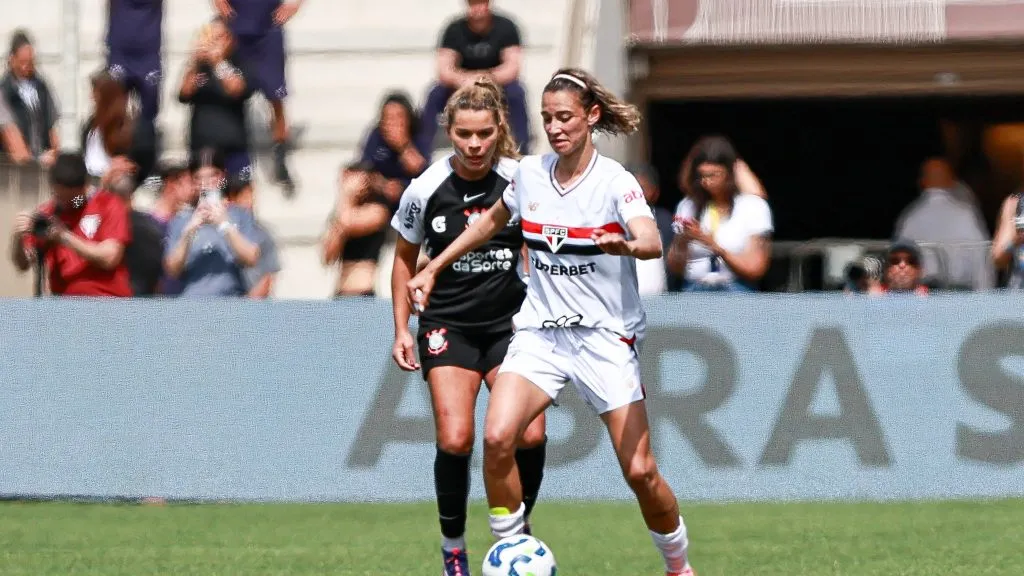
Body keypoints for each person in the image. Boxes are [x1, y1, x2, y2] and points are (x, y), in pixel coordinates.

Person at [408, 68, 695, 576]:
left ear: (591, 116)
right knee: (498, 438)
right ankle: (514, 552)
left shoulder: (615, 181)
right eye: (547, 118)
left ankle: (678, 566)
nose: (556, 127)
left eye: (565, 117)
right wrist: (432, 265)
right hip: (541, 332)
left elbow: (652, 238)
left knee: (640, 471)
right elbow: (492, 222)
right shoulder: (530, 174)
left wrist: (627, 245)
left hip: (605, 336)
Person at [391, 77, 547, 576]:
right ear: (449, 132)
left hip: (511, 327)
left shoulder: (521, 180)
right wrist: (399, 327)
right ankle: (452, 545)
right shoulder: (426, 188)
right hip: (450, 325)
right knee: (457, 438)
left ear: (499, 127)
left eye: (483, 133)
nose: (475, 145)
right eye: (464, 134)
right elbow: (403, 259)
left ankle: (516, 540)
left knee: (530, 433)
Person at [9, 153, 133, 296]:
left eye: (70, 198)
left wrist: (64, 237)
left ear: (84, 187)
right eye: (59, 196)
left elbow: (110, 258)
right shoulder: (49, 213)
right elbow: (23, 264)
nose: (65, 203)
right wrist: (18, 237)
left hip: (106, 301)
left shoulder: (107, 204)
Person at [420, 0, 530, 156]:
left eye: (481, 3)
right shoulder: (454, 29)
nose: (477, 8)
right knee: (435, 93)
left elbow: (512, 67)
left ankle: (523, 152)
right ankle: (422, 152)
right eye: (473, 3)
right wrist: (465, 79)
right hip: (461, 85)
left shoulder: (506, 27)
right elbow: (444, 69)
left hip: (496, 86)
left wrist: (485, 78)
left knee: (517, 92)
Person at [666, 136, 773, 292]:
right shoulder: (688, 205)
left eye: (714, 175)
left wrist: (712, 244)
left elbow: (756, 269)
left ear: (730, 174)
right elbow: (675, 268)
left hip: (736, 289)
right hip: (695, 289)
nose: (707, 182)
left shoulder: (752, 206)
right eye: (702, 175)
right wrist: (683, 240)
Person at [214, 0, 301, 191]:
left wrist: (295, 3)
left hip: (268, 29)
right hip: (237, 27)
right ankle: (229, 158)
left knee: (276, 96)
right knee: (233, 91)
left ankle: (280, 154)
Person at [163, 148, 262, 296]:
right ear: (193, 182)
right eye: (199, 178)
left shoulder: (240, 214)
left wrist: (224, 224)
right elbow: (172, 269)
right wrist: (189, 231)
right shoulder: (180, 219)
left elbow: (251, 258)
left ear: (223, 176)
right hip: (192, 303)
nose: (206, 183)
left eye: (213, 176)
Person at [178, 18, 256, 182]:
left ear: (230, 39)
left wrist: (218, 62)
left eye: (217, 38)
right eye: (209, 38)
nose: (212, 43)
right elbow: (184, 94)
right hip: (203, 149)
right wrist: (193, 62)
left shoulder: (242, 63)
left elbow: (237, 89)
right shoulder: (198, 67)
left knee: (239, 199)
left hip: (234, 148)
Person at [320, 162, 394, 297]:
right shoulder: (342, 213)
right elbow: (328, 257)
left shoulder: (378, 210)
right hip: (340, 292)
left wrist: (346, 195)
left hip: (363, 292)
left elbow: (348, 223)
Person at [0, 30, 59, 167]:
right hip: (15, 166)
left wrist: (56, 154)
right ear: (12, 59)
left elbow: (52, 128)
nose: (26, 67)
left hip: (43, 157)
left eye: (30, 62)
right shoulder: (5, 91)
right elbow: (10, 133)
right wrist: (35, 161)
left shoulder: (41, 87)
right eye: (22, 62)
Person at [106, 0, 164, 122]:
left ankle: (146, 138)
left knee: (150, 113)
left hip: (148, 56)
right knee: (112, 110)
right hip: (120, 55)